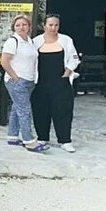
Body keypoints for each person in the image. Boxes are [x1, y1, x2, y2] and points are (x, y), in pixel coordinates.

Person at [31, 14, 80, 153]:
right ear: (44, 25)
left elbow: (74, 58)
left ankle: (65, 140)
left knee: (63, 111)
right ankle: (42, 137)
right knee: (40, 110)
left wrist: (67, 72)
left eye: (56, 25)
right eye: (50, 25)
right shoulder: (35, 42)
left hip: (61, 81)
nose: (53, 28)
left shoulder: (66, 40)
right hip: (40, 82)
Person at [0, 14, 47, 152]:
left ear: (29, 27)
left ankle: (12, 136)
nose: (21, 27)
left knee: (17, 108)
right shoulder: (12, 42)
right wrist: (15, 78)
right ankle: (29, 141)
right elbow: (4, 62)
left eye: (24, 24)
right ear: (13, 27)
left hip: (29, 80)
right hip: (17, 81)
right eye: (18, 25)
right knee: (25, 111)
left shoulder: (30, 42)